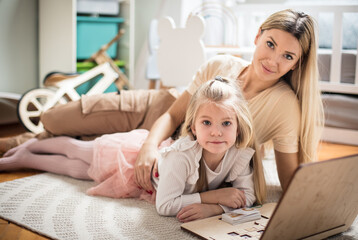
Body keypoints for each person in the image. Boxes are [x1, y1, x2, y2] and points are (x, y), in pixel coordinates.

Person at [0, 9, 324, 192]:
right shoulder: (221, 64)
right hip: (155, 109)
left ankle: (21, 145)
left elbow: (289, 179)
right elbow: (171, 114)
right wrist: (148, 147)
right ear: (257, 37)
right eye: (269, 44)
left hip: (178, 143)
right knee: (53, 120)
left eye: (287, 56)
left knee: (87, 145)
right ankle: (22, 141)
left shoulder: (285, 107)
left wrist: (322, 195)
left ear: (297, 63)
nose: (273, 60)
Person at [0, 78, 266, 222]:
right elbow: (166, 206)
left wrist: (216, 210)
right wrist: (214, 197)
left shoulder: (239, 154)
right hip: (133, 157)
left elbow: (247, 196)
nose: (217, 132)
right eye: (206, 123)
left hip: (144, 184)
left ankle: (28, 158)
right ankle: (31, 146)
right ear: (193, 128)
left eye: (226, 123)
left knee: (80, 172)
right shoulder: (182, 156)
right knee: (79, 151)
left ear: (239, 126)